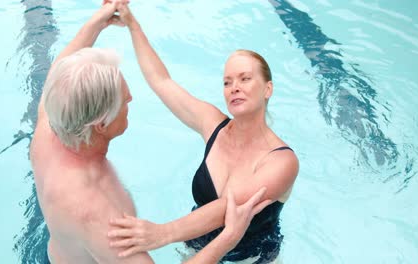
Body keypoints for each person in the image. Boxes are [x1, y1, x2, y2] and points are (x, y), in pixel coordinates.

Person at [30, 1, 271, 263]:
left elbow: (62, 69)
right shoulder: (97, 213)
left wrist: (99, 21)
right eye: (124, 100)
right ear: (101, 124)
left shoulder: (49, 129)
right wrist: (229, 238)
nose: (131, 98)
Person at [107, 3, 300, 263]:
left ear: (268, 89)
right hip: (197, 249)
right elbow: (162, 82)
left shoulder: (283, 161)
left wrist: (161, 233)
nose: (234, 88)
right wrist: (132, 24)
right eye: (227, 82)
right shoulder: (213, 124)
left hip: (249, 258)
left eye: (245, 79)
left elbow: (226, 209)